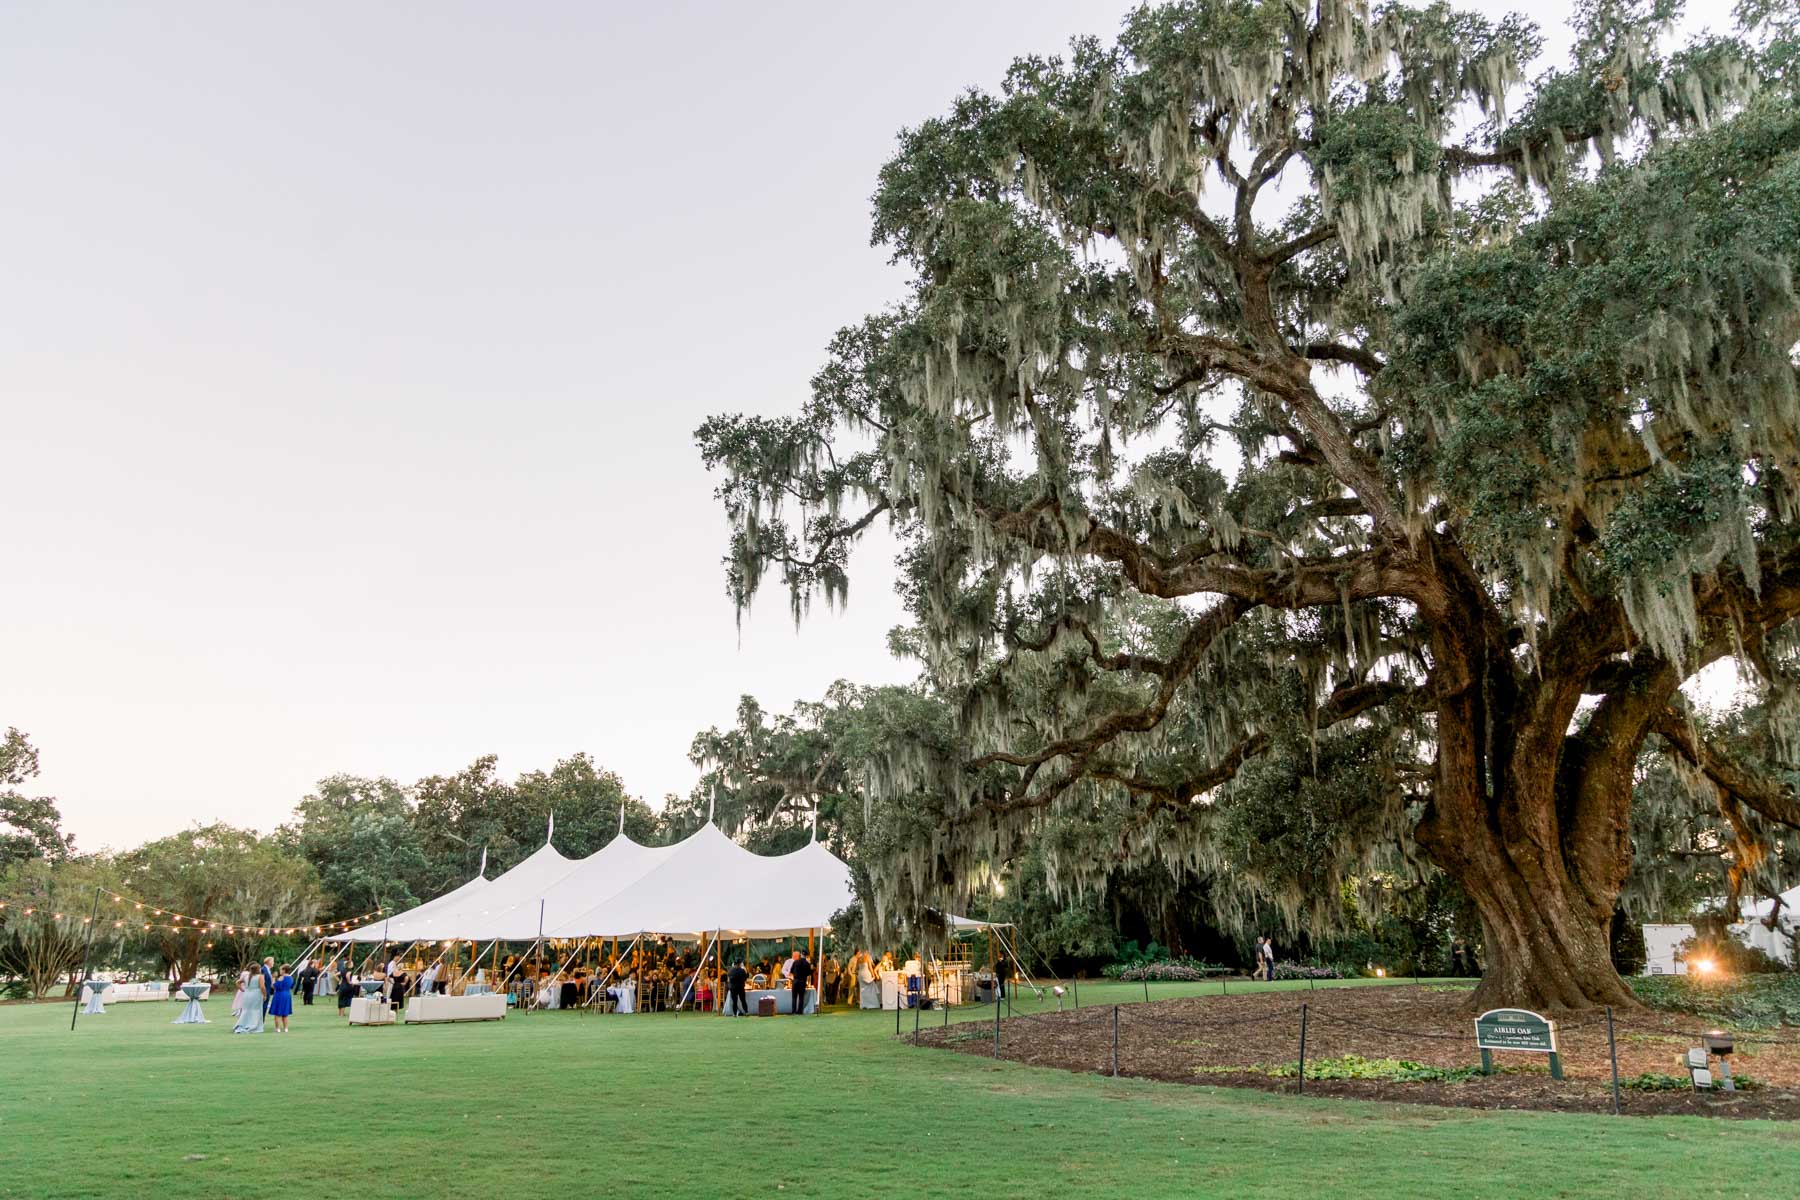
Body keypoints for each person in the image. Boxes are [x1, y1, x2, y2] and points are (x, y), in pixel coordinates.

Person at [234, 964, 266, 1034]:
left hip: (247, 994)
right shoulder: (260, 976)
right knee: (256, 1010)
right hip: (256, 994)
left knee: (246, 1010)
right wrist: (264, 995)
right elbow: (262, 987)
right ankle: (254, 1025)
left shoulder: (246, 976)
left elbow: (237, 982)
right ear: (258, 969)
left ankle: (243, 1024)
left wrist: (242, 989)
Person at [269, 965, 295, 1033]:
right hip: (287, 994)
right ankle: (286, 1028)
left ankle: (277, 1028)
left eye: (280, 970)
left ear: (284, 970)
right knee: (285, 1013)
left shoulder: (281, 977)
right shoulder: (291, 978)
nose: (279, 971)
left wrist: (273, 979)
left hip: (280, 994)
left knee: (278, 1013)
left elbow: (274, 986)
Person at [789, 951, 814, 1015]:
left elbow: (791, 971)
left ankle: (793, 1011)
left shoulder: (795, 962)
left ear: (800, 955)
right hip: (802, 981)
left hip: (795, 981)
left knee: (794, 997)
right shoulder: (807, 963)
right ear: (806, 956)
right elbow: (809, 973)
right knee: (801, 997)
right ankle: (800, 1011)